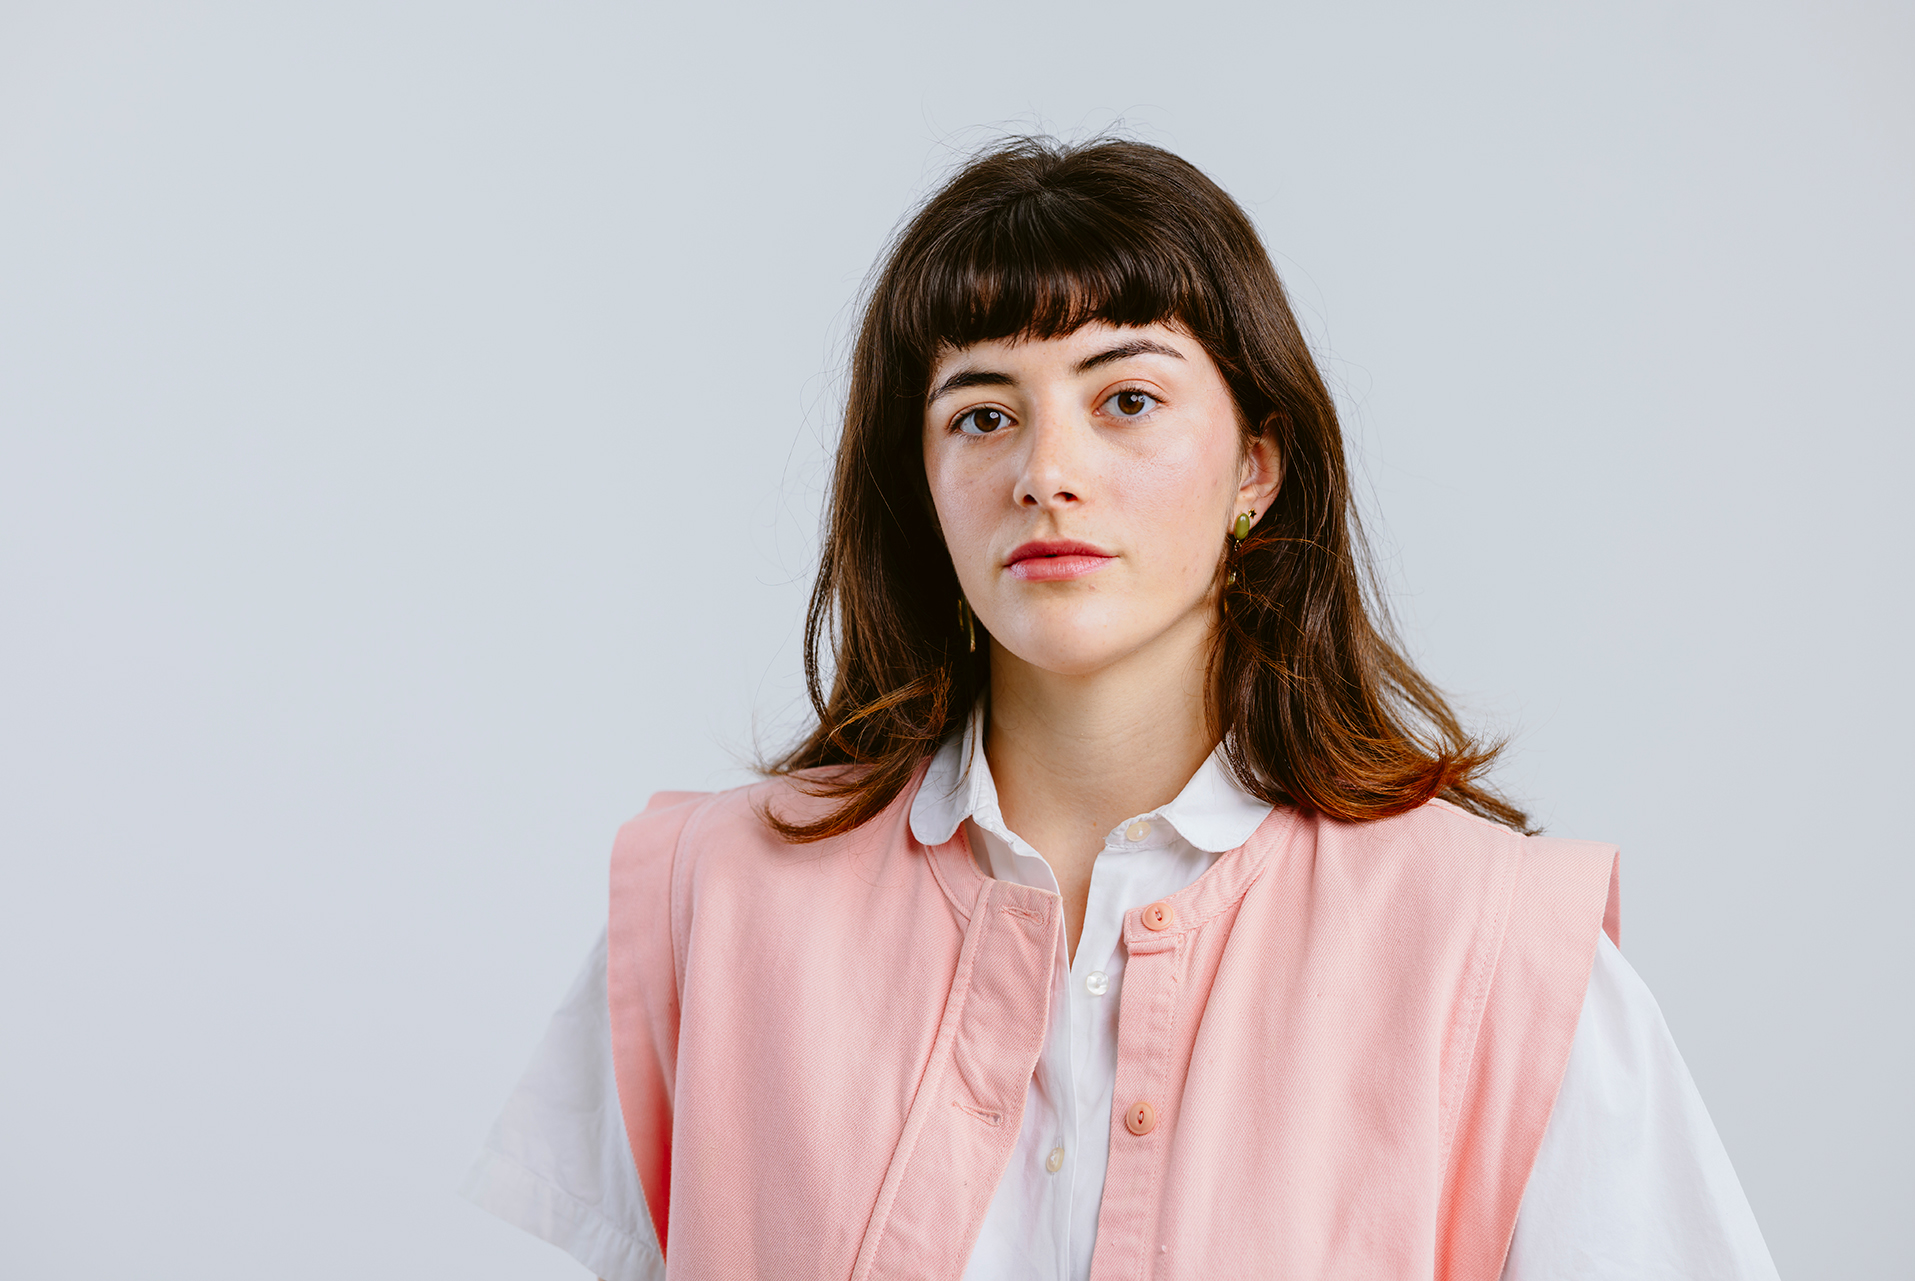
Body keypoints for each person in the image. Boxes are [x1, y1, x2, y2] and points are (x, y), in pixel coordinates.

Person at [462, 137, 1779, 1280]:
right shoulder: (715, 898)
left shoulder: (1497, 949)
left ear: (1256, 465)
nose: (1047, 472)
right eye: (982, 415)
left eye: (1127, 400)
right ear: (921, 481)